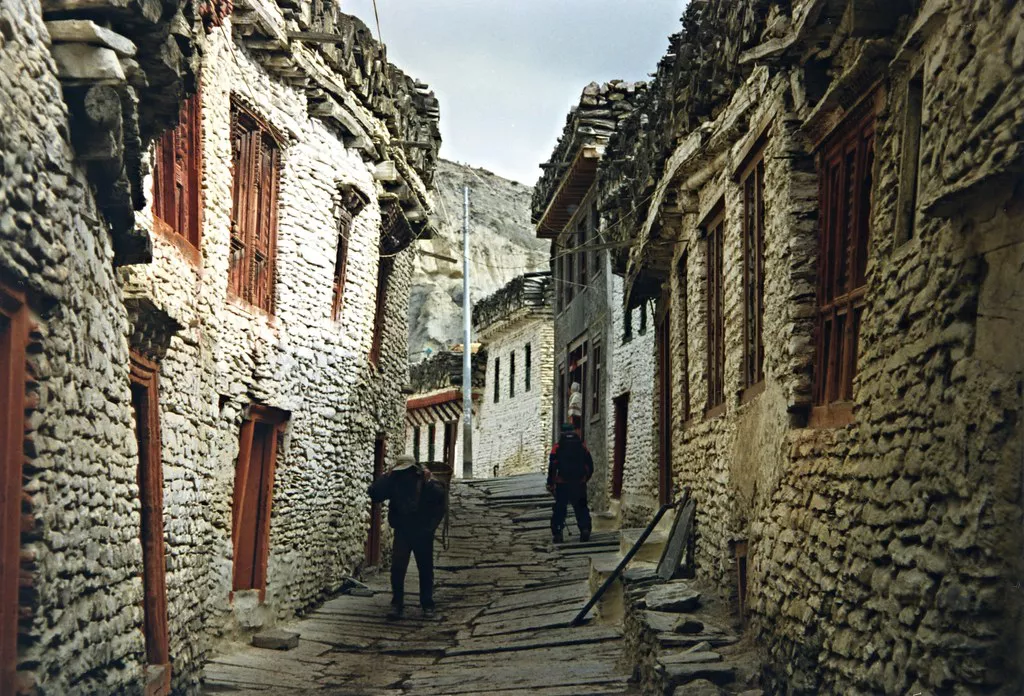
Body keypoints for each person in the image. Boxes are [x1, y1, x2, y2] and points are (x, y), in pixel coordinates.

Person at [367, 454, 447, 620]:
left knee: (425, 568)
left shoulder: (424, 480)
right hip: (403, 530)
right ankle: (397, 603)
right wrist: (386, 476)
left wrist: (429, 481)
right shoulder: (394, 479)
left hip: (422, 531)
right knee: (398, 568)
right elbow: (374, 493)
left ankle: (427, 604)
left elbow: (440, 498)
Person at [546, 422, 593, 544]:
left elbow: (552, 466)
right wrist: (585, 478)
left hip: (562, 483)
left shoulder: (557, 447)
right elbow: (590, 464)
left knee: (560, 509)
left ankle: (558, 532)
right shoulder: (582, 446)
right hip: (579, 483)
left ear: (561, 432)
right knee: (581, 507)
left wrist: (551, 483)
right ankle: (584, 529)